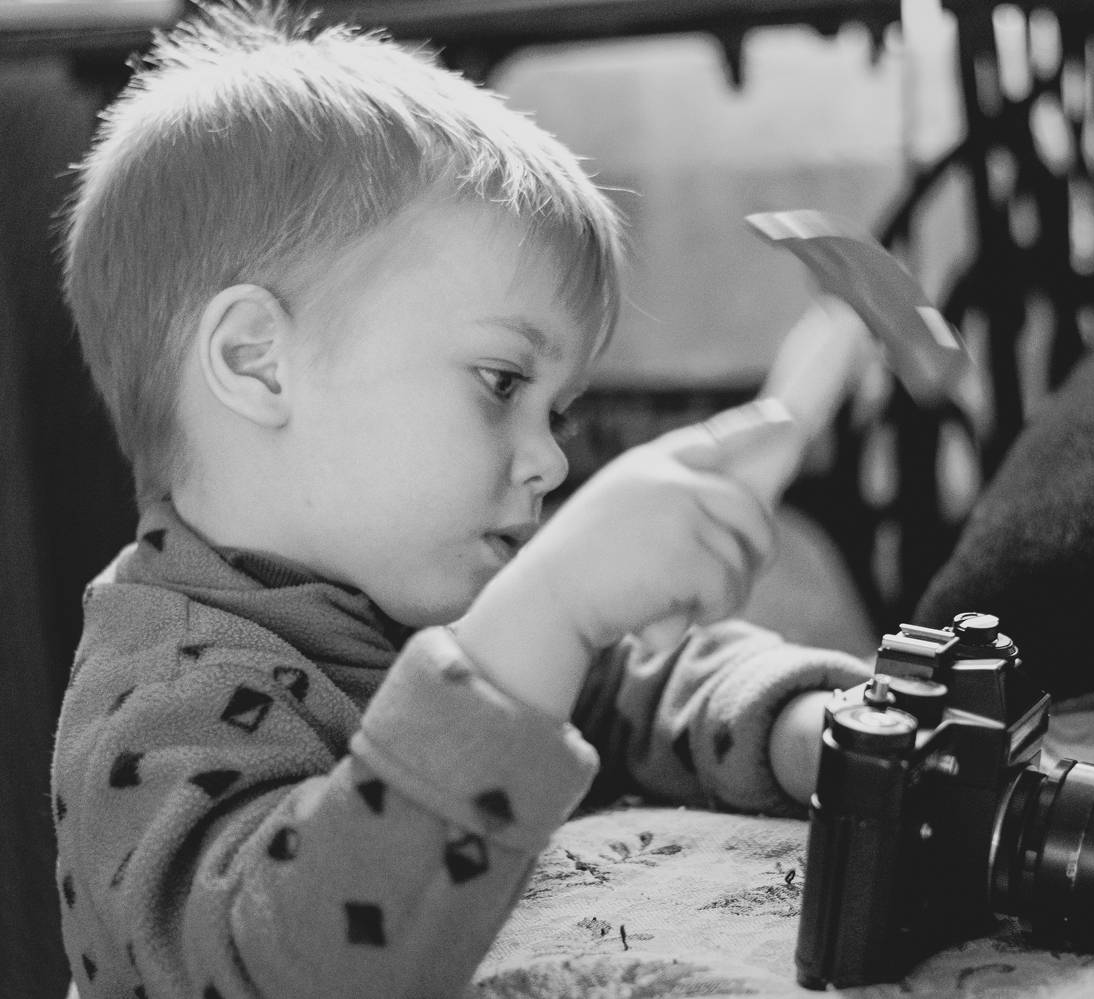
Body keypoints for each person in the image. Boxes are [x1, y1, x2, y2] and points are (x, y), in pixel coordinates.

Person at [49, 4, 868, 996]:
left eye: (556, 412)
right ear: (258, 361)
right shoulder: (154, 704)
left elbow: (630, 687)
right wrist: (550, 608)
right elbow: (293, 961)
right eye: (501, 382)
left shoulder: (401, 594)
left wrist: (802, 725)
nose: (550, 461)